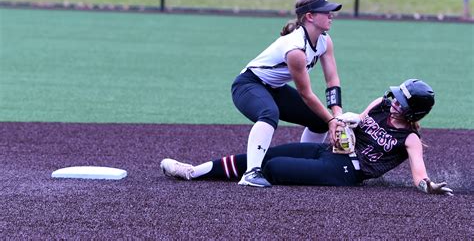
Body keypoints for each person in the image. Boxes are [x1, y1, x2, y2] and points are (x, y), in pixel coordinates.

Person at [160, 79, 454, 196]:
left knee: (273, 169)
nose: (395, 101)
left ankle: (204, 173)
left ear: (414, 112)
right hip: (328, 153)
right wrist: (347, 122)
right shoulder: (380, 104)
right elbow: (359, 124)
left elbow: (419, 174)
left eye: (402, 101)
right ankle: (193, 171)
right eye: (397, 96)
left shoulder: (411, 139)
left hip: (345, 172)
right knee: (264, 157)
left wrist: (428, 187)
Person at [230, 0, 345, 188]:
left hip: (274, 88)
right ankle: (251, 173)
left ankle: (302, 163)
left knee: (319, 121)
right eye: (326, 12)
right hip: (248, 85)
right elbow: (306, 94)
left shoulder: (325, 41)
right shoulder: (295, 50)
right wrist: (332, 120)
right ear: (310, 16)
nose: (331, 15)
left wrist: (337, 114)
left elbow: (332, 79)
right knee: (269, 113)